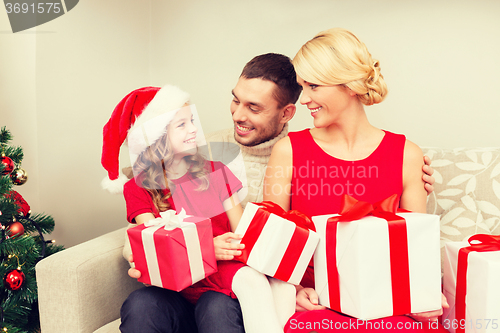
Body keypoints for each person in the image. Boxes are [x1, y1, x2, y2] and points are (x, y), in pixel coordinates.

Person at [118, 53, 437, 332]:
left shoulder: (290, 154)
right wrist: (144, 247)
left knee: (217, 306)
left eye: (253, 107)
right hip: (179, 287)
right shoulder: (208, 153)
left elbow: (253, 235)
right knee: (142, 304)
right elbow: (146, 238)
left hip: (223, 287)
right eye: (236, 99)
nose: (238, 116)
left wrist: (405, 170)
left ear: (286, 113)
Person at [263, 28, 448, 332]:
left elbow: (414, 250)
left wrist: (423, 298)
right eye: (301, 87)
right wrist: (293, 290)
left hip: (387, 304)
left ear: (349, 85)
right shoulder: (289, 152)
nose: (304, 98)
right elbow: (272, 245)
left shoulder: (407, 155)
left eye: (313, 86)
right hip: (319, 303)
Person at [101, 85, 295, 333]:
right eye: (181, 125)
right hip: (175, 292)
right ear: (156, 135)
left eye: (191, 120)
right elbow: (156, 245)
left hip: (219, 290)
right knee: (140, 303)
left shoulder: (215, 172)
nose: (193, 129)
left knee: (216, 309)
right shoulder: (138, 188)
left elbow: (242, 234)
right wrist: (208, 249)